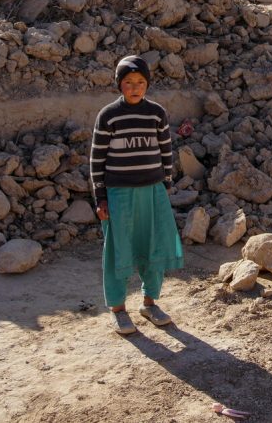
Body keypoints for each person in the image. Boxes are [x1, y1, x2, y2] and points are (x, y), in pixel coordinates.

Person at [90, 55, 184, 335]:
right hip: (119, 194)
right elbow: (97, 159)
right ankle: (118, 309)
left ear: (147, 84)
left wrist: (166, 185)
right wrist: (100, 198)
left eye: (141, 82)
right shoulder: (108, 116)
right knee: (118, 249)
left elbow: (166, 151)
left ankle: (149, 303)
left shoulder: (156, 113)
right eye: (129, 82)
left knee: (153, 246)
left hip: (152, 191)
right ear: (119, 85)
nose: (135, 88)